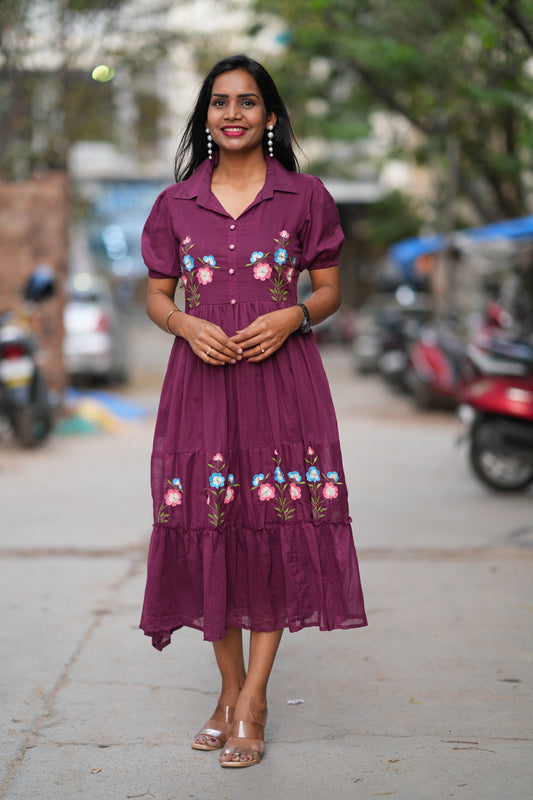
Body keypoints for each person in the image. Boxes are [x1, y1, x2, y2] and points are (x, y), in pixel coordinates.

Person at [139, 54, 367, 768]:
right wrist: (184, 324)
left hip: (282, 384)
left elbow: (328, 289)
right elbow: (155, 294)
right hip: (199, 386)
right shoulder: (176, 203)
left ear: (270, 115)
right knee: (207, 523)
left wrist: (293, 317)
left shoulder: (304, 197)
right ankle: (228, 690)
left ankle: (254, 700)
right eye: (218, 103)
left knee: (272, 526)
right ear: (205, 116)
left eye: (246, 101)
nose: (231, 113)